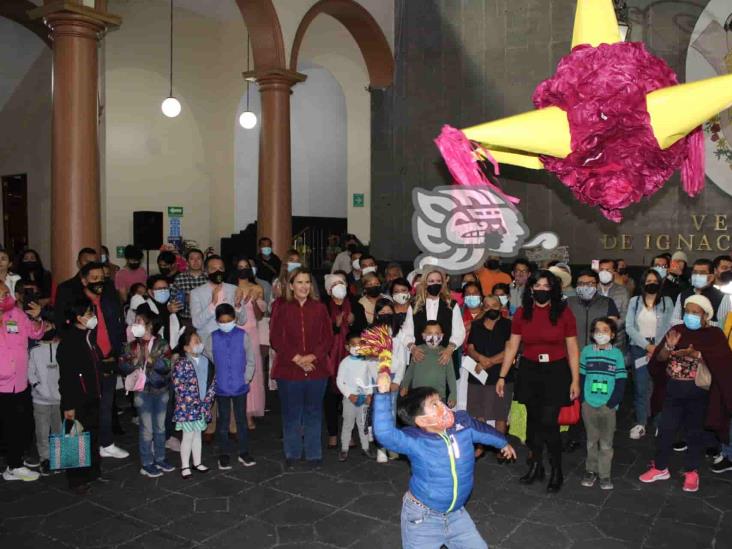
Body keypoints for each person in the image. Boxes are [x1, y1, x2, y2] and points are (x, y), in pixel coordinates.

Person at [373, 372, 516, 549]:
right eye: (434, 404)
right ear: (422, 420)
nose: (443, 405)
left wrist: (502, 442)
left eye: (440, 400)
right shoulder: (416, 441)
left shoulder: (461, 425)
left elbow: (481, 429)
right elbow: (385, 435)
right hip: (422, 519)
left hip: (456, 514)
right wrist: (382, 394)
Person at [495, 270, 580, 493]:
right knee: (533, 425)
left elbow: (572, 348)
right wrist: (502, 376)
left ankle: (557, 469)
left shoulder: (564, 313)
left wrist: (575, 380)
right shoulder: (523, 313)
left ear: (553, 289)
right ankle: (536, 465)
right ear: (530, 288)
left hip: (556, 371)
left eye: (546, 286)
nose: (541, 290)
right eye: (538, 286)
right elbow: (512, 347)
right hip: (530, 371)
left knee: (549, 423)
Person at [640, 295, 732, 492]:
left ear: (706, 315)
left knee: (694, 434)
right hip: (673, 392)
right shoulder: (677, 330)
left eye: (695, 312)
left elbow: (723, 363)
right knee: (665, 430)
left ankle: (692, 472)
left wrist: (697, 355)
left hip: (698, 395)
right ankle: (660, 467)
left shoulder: (714, 334)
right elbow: (659, 359)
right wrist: (668, 347)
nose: (690, 316)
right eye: (687, 311)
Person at [58, 261, 128, 460]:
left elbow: (118, 325)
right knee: (79, 411)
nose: (99, 282)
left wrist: (119, 350)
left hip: (108, 357)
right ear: (83, 280)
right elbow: (64, 329)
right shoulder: (76, 303)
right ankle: (74, 460)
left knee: (106, 405)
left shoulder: (109, 296)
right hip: (85, 365)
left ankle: (104, 444)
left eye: (102, 278)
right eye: (94, 278)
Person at [269, 268, 333, 467]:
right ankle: (293, 453)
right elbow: (276, 338)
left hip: (317, 368)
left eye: (307, 282)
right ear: (290, 286)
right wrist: (297, 358)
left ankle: (314, 454)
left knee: (314, 412)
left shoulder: (320, 308)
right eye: (299, 282)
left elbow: (328, 338)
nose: (304, 286)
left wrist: (312, 357)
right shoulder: (282, 308)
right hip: (289, 369)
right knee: (291, 413)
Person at [119, 307, 174, 478]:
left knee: (160, 427)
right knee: (146, 429)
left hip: (161, 390)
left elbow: (167, 366)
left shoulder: (162, 343)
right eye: (135, 321)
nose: (135, 324)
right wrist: (133, 362)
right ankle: (147, 462)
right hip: (142, 392)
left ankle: (160, 458)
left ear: (149, 325)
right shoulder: (132, 345)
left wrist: (152, 360)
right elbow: (122, 366)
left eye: (139, 321)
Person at [57, 297, 104, 493]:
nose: (93, 317)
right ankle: (76, 480)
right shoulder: (69, 342)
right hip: (76, 399)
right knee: (73, 438)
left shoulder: (88, 336)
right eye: (89, 314)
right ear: (78, 318)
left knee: (91, 435)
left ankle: (92, 472)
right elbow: (66, 377)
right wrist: (68, 405)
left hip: (92, 396)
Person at [0, 280, 44, 482]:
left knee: (19, 424)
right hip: (1, 383)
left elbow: (36, 333)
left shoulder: (16, 314)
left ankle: (15, 464)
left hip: (19, 381)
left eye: (5, 293)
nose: (4, 296)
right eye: (0, 294)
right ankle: (13, 464)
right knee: (8, 426)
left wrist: (37, 319)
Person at [626, 269, 674, 440]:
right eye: (648, 280)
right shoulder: (635, 301)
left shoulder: (667, 302)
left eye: (654, 280)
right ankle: (641, 422)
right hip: (639, 347)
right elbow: (629, 327)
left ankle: (659, 423)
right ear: (643, 283)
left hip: (661, 348)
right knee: (641, 387)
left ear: (659, 283)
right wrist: (647, 346)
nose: (651, 283)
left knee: (660, 387)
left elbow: (670, 325)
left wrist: (657, 347)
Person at [579, 317, 626, 490]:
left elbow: (621, 380)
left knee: (606, 442)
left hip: (608, 405)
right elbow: (582, 376)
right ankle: (590, 470)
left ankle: (605, 474)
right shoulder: (586, 352)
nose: (601, 334)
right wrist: (582, 400)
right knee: (591, 440)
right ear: (592, 334)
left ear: (613, 334)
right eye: (597, 330)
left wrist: (613, 402)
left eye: (605, 330)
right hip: (588, 404)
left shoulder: (617, 354)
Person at [466, 295, 512, 460]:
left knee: (500, 412)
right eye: (487, 306)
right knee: (478, 412)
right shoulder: (476, 325)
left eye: (495, 305)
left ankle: (501, 446)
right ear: (483, 308)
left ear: (500, 307)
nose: (491, 308)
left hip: (501, 374)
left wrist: (488, 361)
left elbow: (510, 349)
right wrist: (480, 358)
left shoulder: (508, 324)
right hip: (478, 373)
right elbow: (470, 348)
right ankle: (480, 446)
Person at [211, 303, 256, 470]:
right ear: (217, 321)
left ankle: (244, 452)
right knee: (222, 421)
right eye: (222, 321)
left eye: (229, 320)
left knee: (241, 420)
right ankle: (224, 454)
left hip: (240, 386)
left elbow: (251, 358)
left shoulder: (243, 335)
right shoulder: (213, 337)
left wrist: (247, 378)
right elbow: (210, 356)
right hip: (222, 387)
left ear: (234, 320)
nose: (225, 324)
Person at [323, 273, 362, 448]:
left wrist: (352, 324)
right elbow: (320, 333)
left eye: (342, 282)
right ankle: (332, 432)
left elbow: (362, 332)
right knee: (330, 397)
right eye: (336, 283)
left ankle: (348, 433)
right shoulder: (323, 306)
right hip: (330, 357)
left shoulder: (355, 305)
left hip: (351, 358)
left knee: (350, 397)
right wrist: (335, 327)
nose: (340, 286)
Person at [406, 267, 465, 383]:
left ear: (443, 283)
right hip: (421, 357)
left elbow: (459, 331)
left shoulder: (451, 305)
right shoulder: (414, 305)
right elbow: (407, 332)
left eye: (438, 281)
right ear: (424, 283)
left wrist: (449, 349)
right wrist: (413, 349)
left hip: (444, 357)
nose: (435, 284)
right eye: (431, 281)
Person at [172, 329, 215, 478]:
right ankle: (185, 465)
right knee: (188, 436)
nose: (199, 344)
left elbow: (211, 382)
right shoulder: (181, 364)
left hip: (202, 407)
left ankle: (197, 462)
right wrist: (193, 401)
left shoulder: (206, 361)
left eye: (199, 341)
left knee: (198, 435)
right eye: (195, 342)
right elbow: (179, 387)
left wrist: (207, 400)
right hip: (188, 409)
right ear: (186, 348)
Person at [232, 257, 266, 429]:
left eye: (246, 267)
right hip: (234, 332)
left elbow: (260, 316)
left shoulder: (257, 288)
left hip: (252, 331)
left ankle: (249, 412)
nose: (243, 269)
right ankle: (236, 413)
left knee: (252, 371)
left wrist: (253, 302)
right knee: (236, 369)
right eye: (240, 267)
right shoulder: (230, 288)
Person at [336, 333, 375, 461]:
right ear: (347, 347)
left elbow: (369, 379)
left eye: (361, 344)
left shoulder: (367, 361)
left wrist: (369, 394)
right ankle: (344, 448)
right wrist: (349, 395)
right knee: (348, 424)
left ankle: (365, 447)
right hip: (349, 399)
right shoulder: (345, 363)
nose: (358, 347)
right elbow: (339, 381)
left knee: (363, 424)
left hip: (363, 398)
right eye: (354, 345)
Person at [190, 255, 239, 352]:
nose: (218, 272)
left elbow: (242, 320)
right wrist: (212, 305)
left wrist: (238, 306)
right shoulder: (196, 293)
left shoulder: (234, 289)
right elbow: (196, 323)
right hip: (208, 345)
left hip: (232, 344)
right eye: (213, 269)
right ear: (206, 271)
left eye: (221, 268)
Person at [401, 321, 457, 407]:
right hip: (417, 396)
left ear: (442, 336)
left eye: (437, 333)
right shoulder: (418, 351)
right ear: (423, 336)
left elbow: (451, 377)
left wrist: (453, 395)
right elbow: (410, 371)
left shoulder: (445, 354)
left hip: (438, 398)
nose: (433, 336)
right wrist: (404, 386)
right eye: (430, 333)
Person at [28, 332, 61, 476]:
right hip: (40, 399)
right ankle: (45, 459)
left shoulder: (61, 348)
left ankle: (58, 458)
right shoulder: (35, 351)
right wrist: (37, 386)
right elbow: (30, 372)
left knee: (58, 430)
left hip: (59, 398)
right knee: (42, 431)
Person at [567, 270, 620, 348]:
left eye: (590, 283)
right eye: (581, 283)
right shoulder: (568, 302)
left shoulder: (607, 302)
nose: (585, 286)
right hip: (573, 351)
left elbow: (612, 327)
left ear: (597, 285)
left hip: (598, 352)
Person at [671, 258, 728, 326]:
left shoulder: (722, 297)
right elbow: (674, 321)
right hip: (685, 335)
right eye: (695, 272)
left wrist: (704, 322)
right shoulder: (683, 295)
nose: (697, 275)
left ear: (711, 277)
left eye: (702, 273)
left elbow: (723, 325)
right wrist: (689, 322)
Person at [170, 248, 208, 326]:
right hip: (186, 320)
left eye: (198, 258)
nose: (196, 261)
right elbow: (172, 299)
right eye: (192, 259)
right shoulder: (179, 278)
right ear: (187, 262)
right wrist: (184, 298)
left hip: (206, 319)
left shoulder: (209, 277)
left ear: (202, 261)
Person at [597, 259, 629, 342]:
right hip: (594, 338)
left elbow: (625, 315)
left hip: (617, 340)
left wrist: (610, 329)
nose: (604, 272)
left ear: (614, 271)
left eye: (607, 270)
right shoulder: (593, 289)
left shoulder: (622, 291)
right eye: (601, 270)